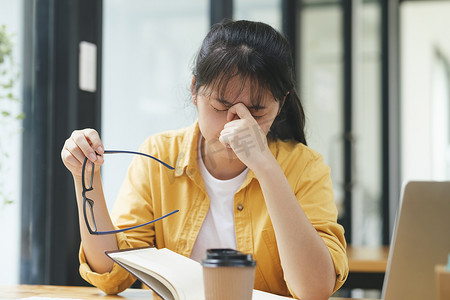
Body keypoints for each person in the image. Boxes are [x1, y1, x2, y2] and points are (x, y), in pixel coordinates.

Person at [61, 20, 348, 299]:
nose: (235, 125)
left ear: (281, 104)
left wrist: (266, 166)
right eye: (221, 106)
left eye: (256, 113)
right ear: (195, 90)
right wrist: (85, 177)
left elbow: (314, 290)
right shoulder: (159, 155)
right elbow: (112, 273)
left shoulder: (305, 167)